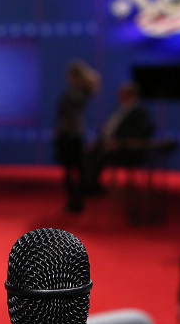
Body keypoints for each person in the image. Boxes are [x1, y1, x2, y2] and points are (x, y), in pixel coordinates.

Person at [82, 81, 155, 194]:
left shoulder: (140, 112)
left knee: (100, 152)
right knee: (89, 151)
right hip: (110, 144)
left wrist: (119, 143)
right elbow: (108, 130)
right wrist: (97, 141)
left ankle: (90, 186)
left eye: (122, 93)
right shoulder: (121, 110)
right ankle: (89, 184)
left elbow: (139, 133)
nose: (118, 96)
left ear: (130, 94)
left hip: (126, 149)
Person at [54, 60, 100, 213]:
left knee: (71, 170)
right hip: (73, 133)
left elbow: (67, 114)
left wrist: (60, 130)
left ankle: (74, 202)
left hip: (69, 134)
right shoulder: (82, 91)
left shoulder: (76, 92)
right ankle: (76, 201)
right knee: (75, 169)